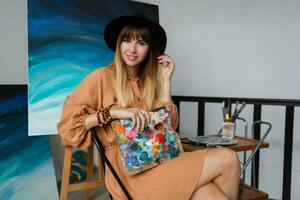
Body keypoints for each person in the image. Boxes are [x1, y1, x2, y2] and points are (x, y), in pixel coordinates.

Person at [57, 14, 240, 200]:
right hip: (130, 174)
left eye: (141, 43)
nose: (132, 49)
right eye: (127, 41)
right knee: (228, 159)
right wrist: (113, 112)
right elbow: (68, 126)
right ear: (119, 44)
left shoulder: (150, 83)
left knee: (214, 194)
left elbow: (170, 127)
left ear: (150, 49)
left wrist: (165, 82)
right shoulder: (101, 77)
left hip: (161, 160)